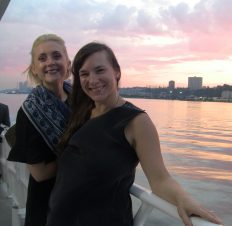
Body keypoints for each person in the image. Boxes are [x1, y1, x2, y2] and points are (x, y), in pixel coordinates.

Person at [46, 42, 222, 226]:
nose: (92, 79)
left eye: (100, 70)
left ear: (116, 72)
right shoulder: (83, 112)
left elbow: (160, 180)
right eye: (84, 74)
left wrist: (184, 199)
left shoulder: (136, 122)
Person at [7, 34, 72, 226]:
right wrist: (81, 155)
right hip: (47, 208)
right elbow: (40, 173)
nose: (50, 62)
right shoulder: (29, 112)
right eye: (42, 58)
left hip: (82, 202)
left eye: (56, 56)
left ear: (67, 63)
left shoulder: (82, 100)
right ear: (34, 68)